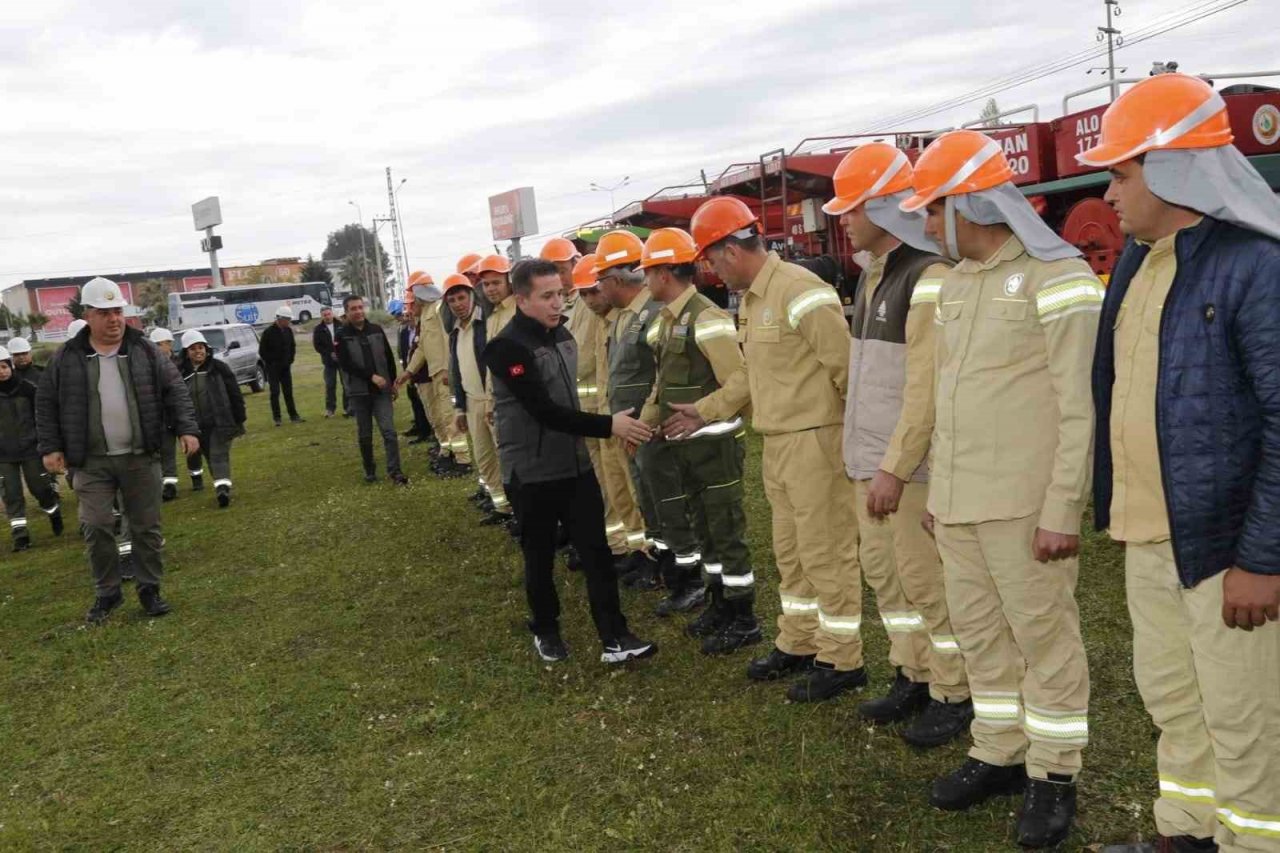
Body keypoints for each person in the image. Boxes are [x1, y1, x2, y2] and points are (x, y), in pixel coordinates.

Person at [1080, 74, 1280, 853]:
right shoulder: (1140, 261)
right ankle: (1189, 833)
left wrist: (1262, 557)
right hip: (1151, 535)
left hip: (1225, 547)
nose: (1108, 193)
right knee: (1172, 696)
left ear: (1171, 167)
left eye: (1121, 173)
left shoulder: (1256, 267)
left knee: (1244, 716)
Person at [898, 130, 1103, 847]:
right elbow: (949, 396)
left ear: (973, 204)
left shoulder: (1060, 277)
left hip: (1024, 507)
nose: (927, 225)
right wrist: (939, 495)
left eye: (934, 209)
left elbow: (1080, 408)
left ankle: (1053, 774)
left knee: (1045, 640)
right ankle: (999, 750)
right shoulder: (955, 283)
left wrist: (1062, 508)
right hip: (959, 503)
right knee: (981, 635)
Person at [668, 196, 864, 703]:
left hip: (816, 441)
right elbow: (751, 377)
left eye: (712, 262)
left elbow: (848, 369)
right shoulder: (755, 300)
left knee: (826, 553)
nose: (711, 273)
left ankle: (842, 659)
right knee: (792, 553)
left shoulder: (799, 289)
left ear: (731, 251)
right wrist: (705, 410)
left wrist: (862, 443)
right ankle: (799, 641)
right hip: (779, 443)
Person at [826, 143, 972, 746]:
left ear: (884, 207)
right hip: (873, 462)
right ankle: (914, 672)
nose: (844, 220)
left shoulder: (927, 275)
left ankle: (954, 691)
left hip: (908, 469)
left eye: (853, 208)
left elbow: (924, 389)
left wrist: (894, 465)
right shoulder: (874, 275)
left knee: (926, 582)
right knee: (888, 577)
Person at [482, 258, 657, 664]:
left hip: (575, 466)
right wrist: (609, 425)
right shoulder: (506, 348)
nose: (557, 303)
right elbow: (544, 412)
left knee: (597, 553)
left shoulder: (562, 334)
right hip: (531, 473)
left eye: (560, 294)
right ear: (521, 300)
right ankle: (545, 630)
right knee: (539, 557)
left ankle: (615, 638)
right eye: (546, 296)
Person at [36, 277, 199, 623]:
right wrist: (50, 447)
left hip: (140, 457)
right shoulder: (66, 357)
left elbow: (175, 389)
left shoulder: (144, 350)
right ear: (87, 315)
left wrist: (187, 428)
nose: (114, 319)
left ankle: (149, 589)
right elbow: (46, 402)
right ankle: (108, 593)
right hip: (90, 462)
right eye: (104, 312)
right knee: (96, 525)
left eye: (118, 311)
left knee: (146, 527)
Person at [637, 228, 762, 654]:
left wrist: (703, 413)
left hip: (715, 446)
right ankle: (718, 602)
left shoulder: (707, 318)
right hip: (686, 447)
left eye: (648, 272)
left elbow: (741, 379)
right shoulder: (668, 320)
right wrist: (647, 422)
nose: (645, 280)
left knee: (725, 530)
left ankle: (743, 617)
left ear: (664, 273)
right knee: (704, 529)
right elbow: (663, 383)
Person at [598, 230, 673, 596]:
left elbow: (662, 372)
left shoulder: (653, 313)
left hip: (650, 429)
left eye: (601, 280)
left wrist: (647, 419)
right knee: (646, 497)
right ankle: (658, 562)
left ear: (615, 281)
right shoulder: (624, 317)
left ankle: (674, 569)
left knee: (663, 499)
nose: (599, 289)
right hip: (634, 431)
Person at [446, 273, 512, 525]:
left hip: (493, 401)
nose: (458, 304)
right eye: (452, 300)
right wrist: (460, 409)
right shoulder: (455, 332)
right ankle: (502, 507)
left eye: (461, 297)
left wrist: (495, 400)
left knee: (505, 456)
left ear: (472, 296)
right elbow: (457, 371)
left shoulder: (485, 324)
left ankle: (518, 508)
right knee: (484, 459)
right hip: (472, 403)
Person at [397, 273, 470, 477]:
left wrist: (450, 369)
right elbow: (422, 348)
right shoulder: (426, 313)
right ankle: (449, 453)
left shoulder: (438, 309)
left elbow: (449, 340)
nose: (413, 299)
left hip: (444, 371)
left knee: (449, 415)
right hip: (435, 372)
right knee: (440, 416)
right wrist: (409, 371)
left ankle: (463, 460)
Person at [337, 295, 408, 486]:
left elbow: (388, 357)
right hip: (358, 393)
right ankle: (369, 470)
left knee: (389, 432)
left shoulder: (376, 330)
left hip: (381, 391)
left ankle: (395, 471)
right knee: (365, 434)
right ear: (346, 312)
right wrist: (370, 376)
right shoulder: (342, 335)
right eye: (353, 308)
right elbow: (346, 363)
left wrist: (392, 382)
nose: (358, 311)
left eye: (360, 307)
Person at [0, 345, 63, 551]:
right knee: (11, 494)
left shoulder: (28, 389)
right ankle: (21, 536)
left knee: (40, 488)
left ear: (10, 366)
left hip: (31, 450)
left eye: (4, 367)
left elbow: (43, 417)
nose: (1, 372)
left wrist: (45, 443)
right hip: (4, 455)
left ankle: (52, 510)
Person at [178, 330, 246, 508]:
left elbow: (234, 393)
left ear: (206, 349)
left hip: (219, 422)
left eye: (200, 347)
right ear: (186, 352)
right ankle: (217, 482)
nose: (198, 351)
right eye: (193, 349)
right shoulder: (180, 373)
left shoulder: (219, 368)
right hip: (194, 426)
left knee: (218, 454)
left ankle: (223, 489)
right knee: (208, 456)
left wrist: (239, 417)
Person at [147, 327, 187, 501]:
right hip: (162, 416)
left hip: (180, 412)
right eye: (155, 344)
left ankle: (197, 477)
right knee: (165, 451)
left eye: (159, 344)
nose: (157, 348)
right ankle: (169, 485)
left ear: (169, 344)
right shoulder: (148, 366)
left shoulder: (181, 364)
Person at [391, 298, 433, 444]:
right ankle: (420, 427)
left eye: (408, 314)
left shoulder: (423, 328)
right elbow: (404, 352)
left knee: (428, 406)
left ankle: (428, 432)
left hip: (424, 374)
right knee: (414, 400)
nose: (405, 317)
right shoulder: (403, 331)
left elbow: (422, 351)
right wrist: (406, 371)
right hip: (410, 372)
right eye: (403, 315)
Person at [259, 305, 303, 426]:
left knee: (288, 392)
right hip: (272, 368)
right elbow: (262, 351)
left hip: (285, 367)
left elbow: (292, 346)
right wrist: (271, 362)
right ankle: (277, 418)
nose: (289, 322)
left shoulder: (288, 331)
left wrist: (290, 360)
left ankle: (293, 415)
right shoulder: (268, 332)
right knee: (275, 392)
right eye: (287, 319)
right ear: (280, 319)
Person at [312, 305, 349, 418]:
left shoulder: (341, 325)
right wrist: (329, 353)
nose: (327, 317)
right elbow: (317, 346)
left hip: (342, 360)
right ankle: (330, 409)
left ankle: (348, 408)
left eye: (329, 314)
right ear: (322, 316)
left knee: (346, 384)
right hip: (328, 362)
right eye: (325, 315)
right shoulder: (318, 329)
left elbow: (346, 341)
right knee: (330, 385)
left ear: (332, 314)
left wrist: (340, 353)